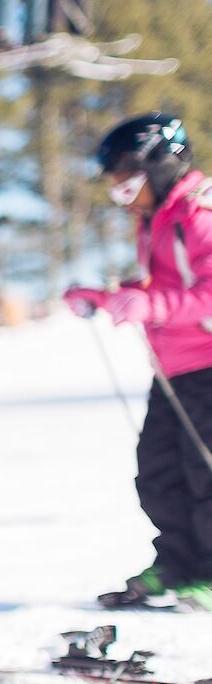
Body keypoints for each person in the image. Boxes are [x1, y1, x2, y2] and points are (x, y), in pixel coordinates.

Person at [63, 113, 212, 612]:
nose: (122, 195)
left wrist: (153, 305)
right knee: (158, 471)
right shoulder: (156, 220)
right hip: (175, 371)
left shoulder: (199, 212)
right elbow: (160, 290)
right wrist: (104, 297)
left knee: (206, 472)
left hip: (207, 364)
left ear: (162, 166)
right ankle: (179, 564)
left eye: (128, 181)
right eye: (115, 186)